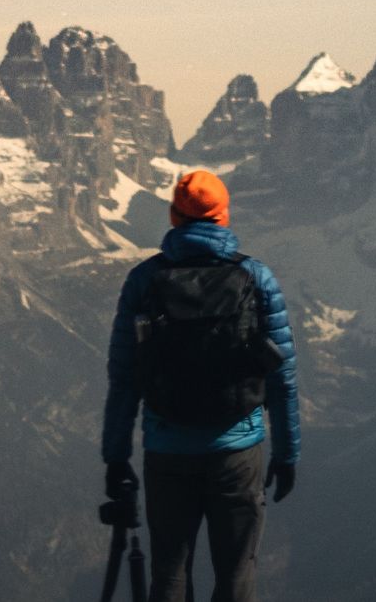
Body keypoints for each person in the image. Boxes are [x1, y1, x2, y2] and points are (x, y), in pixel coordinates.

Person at [102, 170, 300, 602]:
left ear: (174, 217)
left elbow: (124, 379)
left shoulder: (144, 280)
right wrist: (287, 453)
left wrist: (115, 457)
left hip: (168, 451)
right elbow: (281, 377)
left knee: (169, 575)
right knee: (235, 575)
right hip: (237, 452)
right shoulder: (256, 278)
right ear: (223, 217)